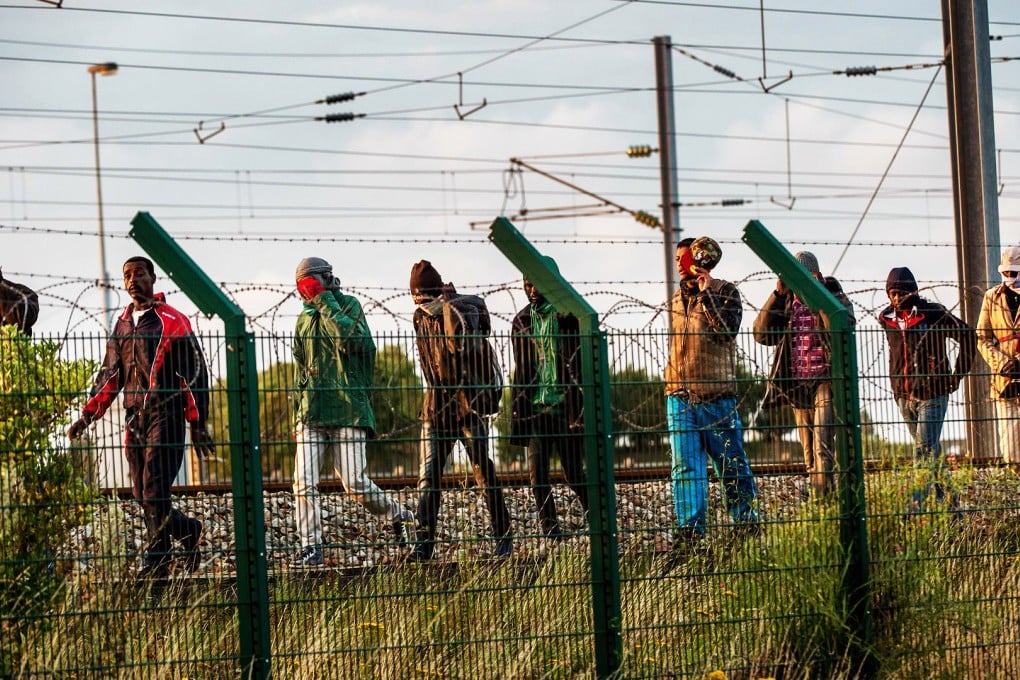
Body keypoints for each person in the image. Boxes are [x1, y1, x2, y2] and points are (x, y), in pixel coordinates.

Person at [67, 256, 211, 578]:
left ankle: (158, 558)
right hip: (135, 418)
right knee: (142, 493)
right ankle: (188, 530)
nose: (133, 280)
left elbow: (194, 373)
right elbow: (110, 375)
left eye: (139, 273)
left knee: (154, 486)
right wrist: (88, 415)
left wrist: (198, 421)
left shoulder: (173, 321)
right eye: (127, 275)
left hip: (167, 413)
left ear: (153, 278)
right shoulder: (122, 325)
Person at [291, 257, 414, 567]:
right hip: (312, 413)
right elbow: (301, 371)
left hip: (349, 411)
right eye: (303, 287)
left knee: (354, 484)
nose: (308, 292)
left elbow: (352, 341)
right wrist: (297, 414)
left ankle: (398, 515)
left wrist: (326, 302)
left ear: (328, 279)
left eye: (312, 284)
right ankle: (311, 546)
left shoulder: (350, 307)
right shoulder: (303, 321)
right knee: (302, 482)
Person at [409, 260, 513, 561]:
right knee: (428, 477)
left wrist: (448, 305)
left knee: (483, 471)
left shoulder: (460, 311)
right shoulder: (419, 317)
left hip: (467, 406)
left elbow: (459, 344)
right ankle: (423, 545)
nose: (422, 305)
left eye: (426, 299)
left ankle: (503, 536)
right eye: (417, 300)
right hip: (436, 408)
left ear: (437, 293)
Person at [664, 237, 760, 545]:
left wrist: (708, 297)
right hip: (680, 396)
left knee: (731, 463)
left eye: (684, 257)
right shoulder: (675, 300)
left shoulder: (725, 291)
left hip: (717, 396)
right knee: (685, 467)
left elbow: (727, 331)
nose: (678, 263)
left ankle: (746, 523)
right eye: (676, 258)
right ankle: (691, 533)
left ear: (698, 258)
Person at [753, 251, 854, 499]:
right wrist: (778, 294)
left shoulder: (835, 297)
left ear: (815, 275)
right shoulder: (788, 302)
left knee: (823, 447)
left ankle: (824, 502)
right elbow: (762, 334)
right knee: (809, 453)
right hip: (798, 386)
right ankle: (825, 501)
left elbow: (841, 328)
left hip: (825, 380)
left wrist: (820, 298)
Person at [879, 266, 975, 507]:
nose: (897, 298)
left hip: (933, 392)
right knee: (932, 452)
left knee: (922, 452)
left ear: (913, 291)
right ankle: (952, 509)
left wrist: (957, 374)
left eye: (902, 292)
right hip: (902, 395)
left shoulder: (932, 313)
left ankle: (915, 509)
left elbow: (968, 335)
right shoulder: (886, 318)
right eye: (892, 293)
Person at [509, 261, 589, 539]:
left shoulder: (569, 316)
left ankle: (597, 516)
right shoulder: (521, 321)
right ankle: (550, 530)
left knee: (574, 473)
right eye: (527, 283)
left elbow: (580, 361)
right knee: (538, 477)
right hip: (535, 409)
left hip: (565, 408)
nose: (531, 289)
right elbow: (521, 368)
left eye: (536, 283)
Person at [976, 246, 1020, 469]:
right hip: (1005, 384)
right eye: (1006, 273)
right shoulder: (991, 297)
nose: (1010, 278)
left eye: (1014, 273)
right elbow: (981, 338)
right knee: (1011, 450)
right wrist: (1002, 362)